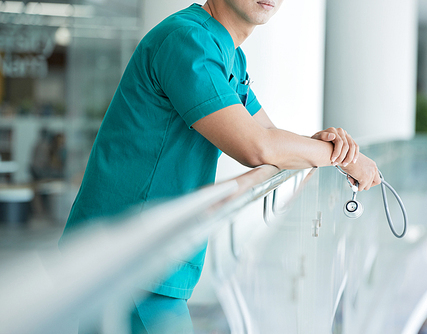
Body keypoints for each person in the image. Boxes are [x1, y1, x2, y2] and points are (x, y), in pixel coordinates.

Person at [59, 0, 381, 332]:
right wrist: (347, 158)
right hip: (128, 262)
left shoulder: (230, 56)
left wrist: (324, 145)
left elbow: (268, 133)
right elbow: (256, 146)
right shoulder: (187, 40)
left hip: (148, 258)